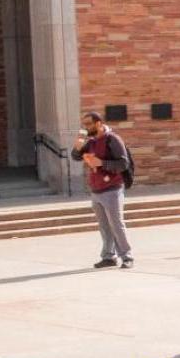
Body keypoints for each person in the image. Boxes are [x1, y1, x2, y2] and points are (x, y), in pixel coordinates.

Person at [71, 109, 134, 269]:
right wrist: (77, 147)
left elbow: (123, 163)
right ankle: (108, 257)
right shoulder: (90, 141)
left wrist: (102, 163)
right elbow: (76, 157)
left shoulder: (112, 139)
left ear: (98, 123)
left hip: (112, 189)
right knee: (104, 226)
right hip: (96, 190)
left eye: (88, 124)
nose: (84, 127)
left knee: (116, 224)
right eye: (83, 124)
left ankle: (127, 257)